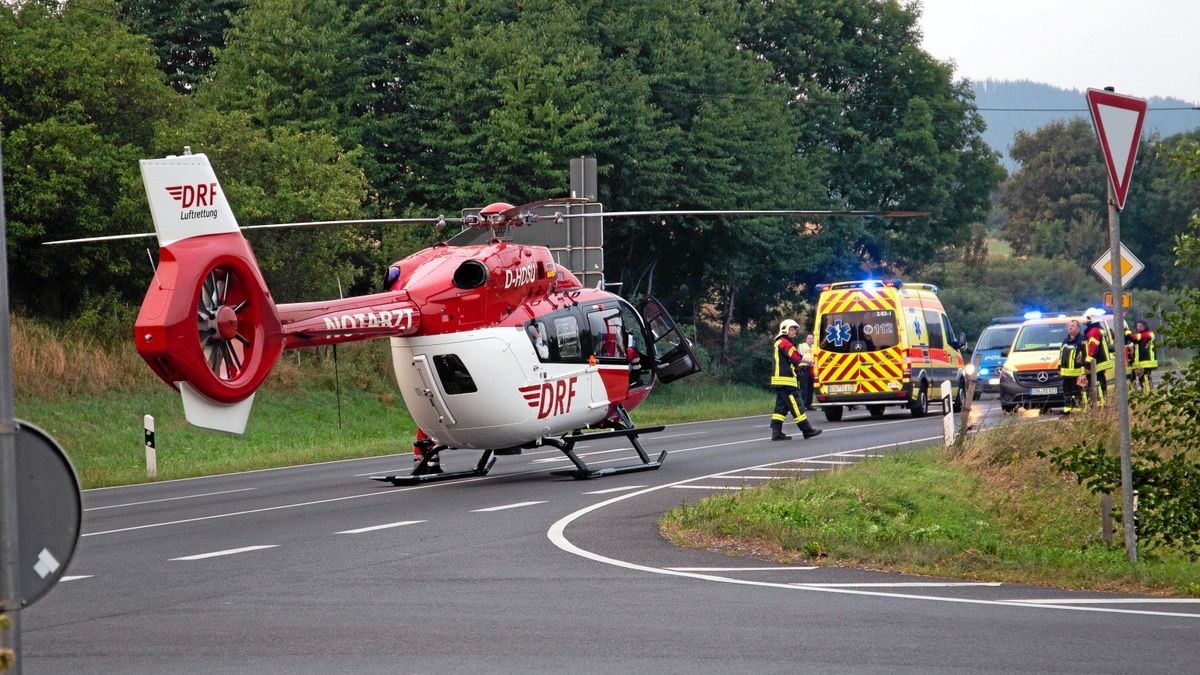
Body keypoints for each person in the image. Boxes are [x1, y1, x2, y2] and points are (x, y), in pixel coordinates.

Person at [769, 319, 822, 441]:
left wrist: (798, 369)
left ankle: (776, 433)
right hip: (786, 381)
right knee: (797, 405)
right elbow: (796, 357)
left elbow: (791, 362)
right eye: (792, 329)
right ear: (785, 329)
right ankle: (807, 430)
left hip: (781, 381)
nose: (794, 332)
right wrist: (808, 361)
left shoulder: (779, 343)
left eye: (794, 330)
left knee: (780, 408)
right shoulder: (784, 343)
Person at [1082, 308, 1113, 405]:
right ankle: (1100, 402)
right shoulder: (1095, 330)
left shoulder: (1094, 331)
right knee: (1099, 381)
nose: (1085, 321)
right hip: (1099, 362)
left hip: (1098, 362)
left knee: (1098, 382)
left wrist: (1088, 361)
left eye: (1087, 319)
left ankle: (1100, 404)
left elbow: (1093, 347)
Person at [1058, 319, 1088, 413]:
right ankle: (1068, 409)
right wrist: (1059, 368)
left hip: (1077, 374)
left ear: (1078, 328)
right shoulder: (1065, 341)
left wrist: (1083, 373)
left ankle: (1078, 410)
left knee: (1078, 393)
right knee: (1067, 393)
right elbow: (1061, 355)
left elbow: (1086, 356)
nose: (1070, 327)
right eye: (1068, 326)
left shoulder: (1082, 340)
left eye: (1073, 326)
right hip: (1066, 375)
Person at [1126, 319, 1158, 391]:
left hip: (1146, 362)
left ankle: (1148, 394)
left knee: (1145, 379)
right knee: (1143, 380)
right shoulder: (1145, 334)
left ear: (1142, 327)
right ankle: (1147, 393)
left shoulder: (1147, 334)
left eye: (1138, 326)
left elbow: (1133, 337)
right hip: (1144, 362)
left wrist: (1126, 330)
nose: (1137, 328)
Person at [797, 332, 815, 410]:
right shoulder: (802, 346)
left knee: (811, 387)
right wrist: (808, 362)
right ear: (806, 339)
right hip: (804, 367)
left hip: (813, 368)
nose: (810, 340)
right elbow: (799, 357)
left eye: (812, 338)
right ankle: (803, 405)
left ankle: (809, 404)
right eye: (809, 338)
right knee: (804, 387)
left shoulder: (815, 347)